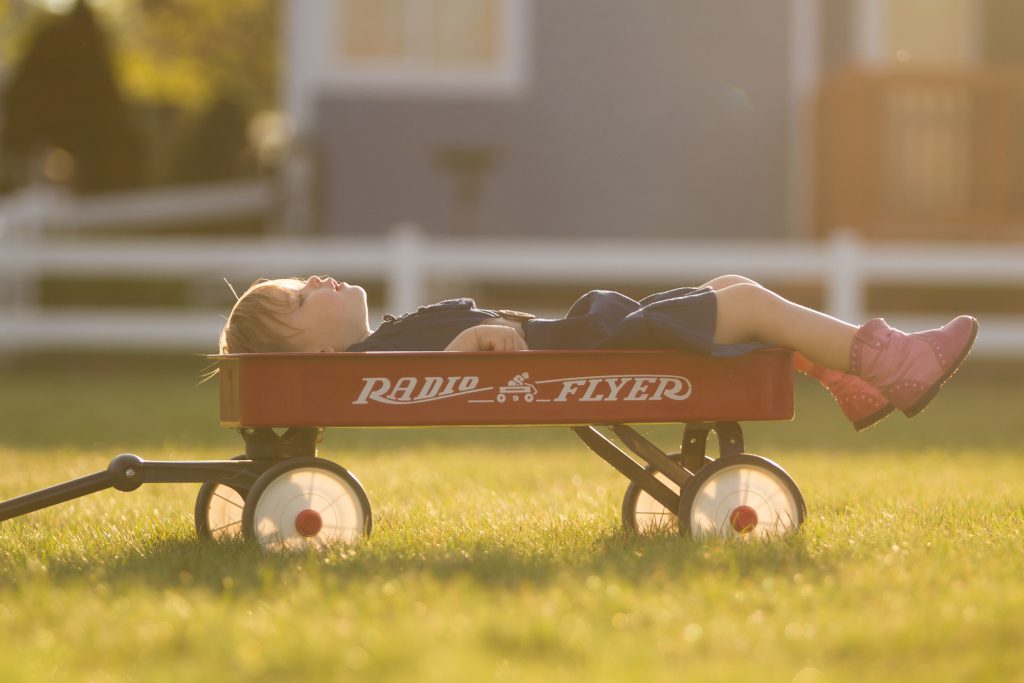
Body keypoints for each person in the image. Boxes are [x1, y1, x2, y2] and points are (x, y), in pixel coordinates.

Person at [218, 274, 978, 431]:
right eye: (294, 297)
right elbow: (428, 377)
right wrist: (465, 340)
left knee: (732, 292)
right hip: (588, 348)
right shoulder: (379, 362)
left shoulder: (383, 346)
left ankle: (851, 375)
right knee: (743, 301)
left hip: (586, 337)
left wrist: (462, 339)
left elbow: (414, 371)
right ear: (313, 348)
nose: (313, 278)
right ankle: (890, 363)